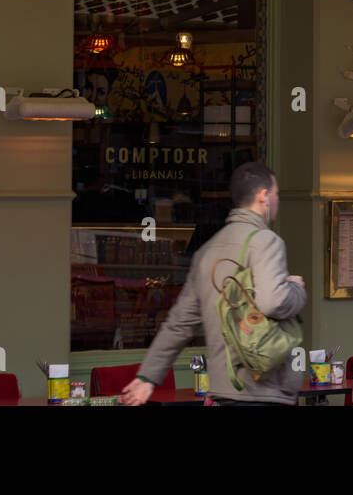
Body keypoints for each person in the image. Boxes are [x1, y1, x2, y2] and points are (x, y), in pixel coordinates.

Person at [122, 162, 306, 406]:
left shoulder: (206, 252)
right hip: (262, 390)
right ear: (264, 196)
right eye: (276, 193)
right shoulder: (266, 241)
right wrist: (296, 288)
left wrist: (147, 377)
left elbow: (179, 324)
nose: (277, 199)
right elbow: (273, 302)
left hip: (223, 391)